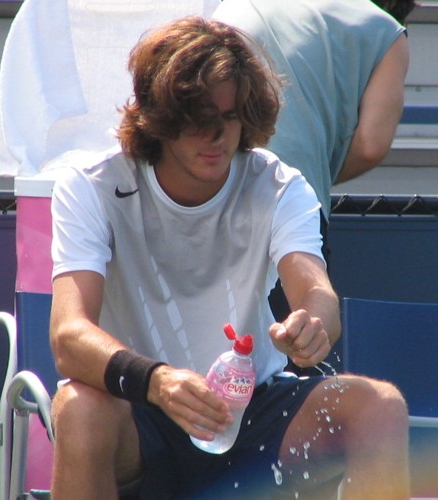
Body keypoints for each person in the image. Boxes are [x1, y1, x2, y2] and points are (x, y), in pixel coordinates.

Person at [49, 16, 409, 499]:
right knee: (77, 407)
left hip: (254, 411)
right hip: (139, 412)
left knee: (381, 405)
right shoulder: (89, 185)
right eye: (196, 117)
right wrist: (156, 381)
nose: (215, 135)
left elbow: (315, 290)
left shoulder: (279, 184)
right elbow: (67, 336)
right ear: (159, 113)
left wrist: (312, 326)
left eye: (229, 116)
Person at [213, 0, 415, 322]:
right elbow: (370, 146)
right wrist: (311, 173)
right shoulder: (387, 31)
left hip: (195, 183)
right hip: (286, 201)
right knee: (296, 344)